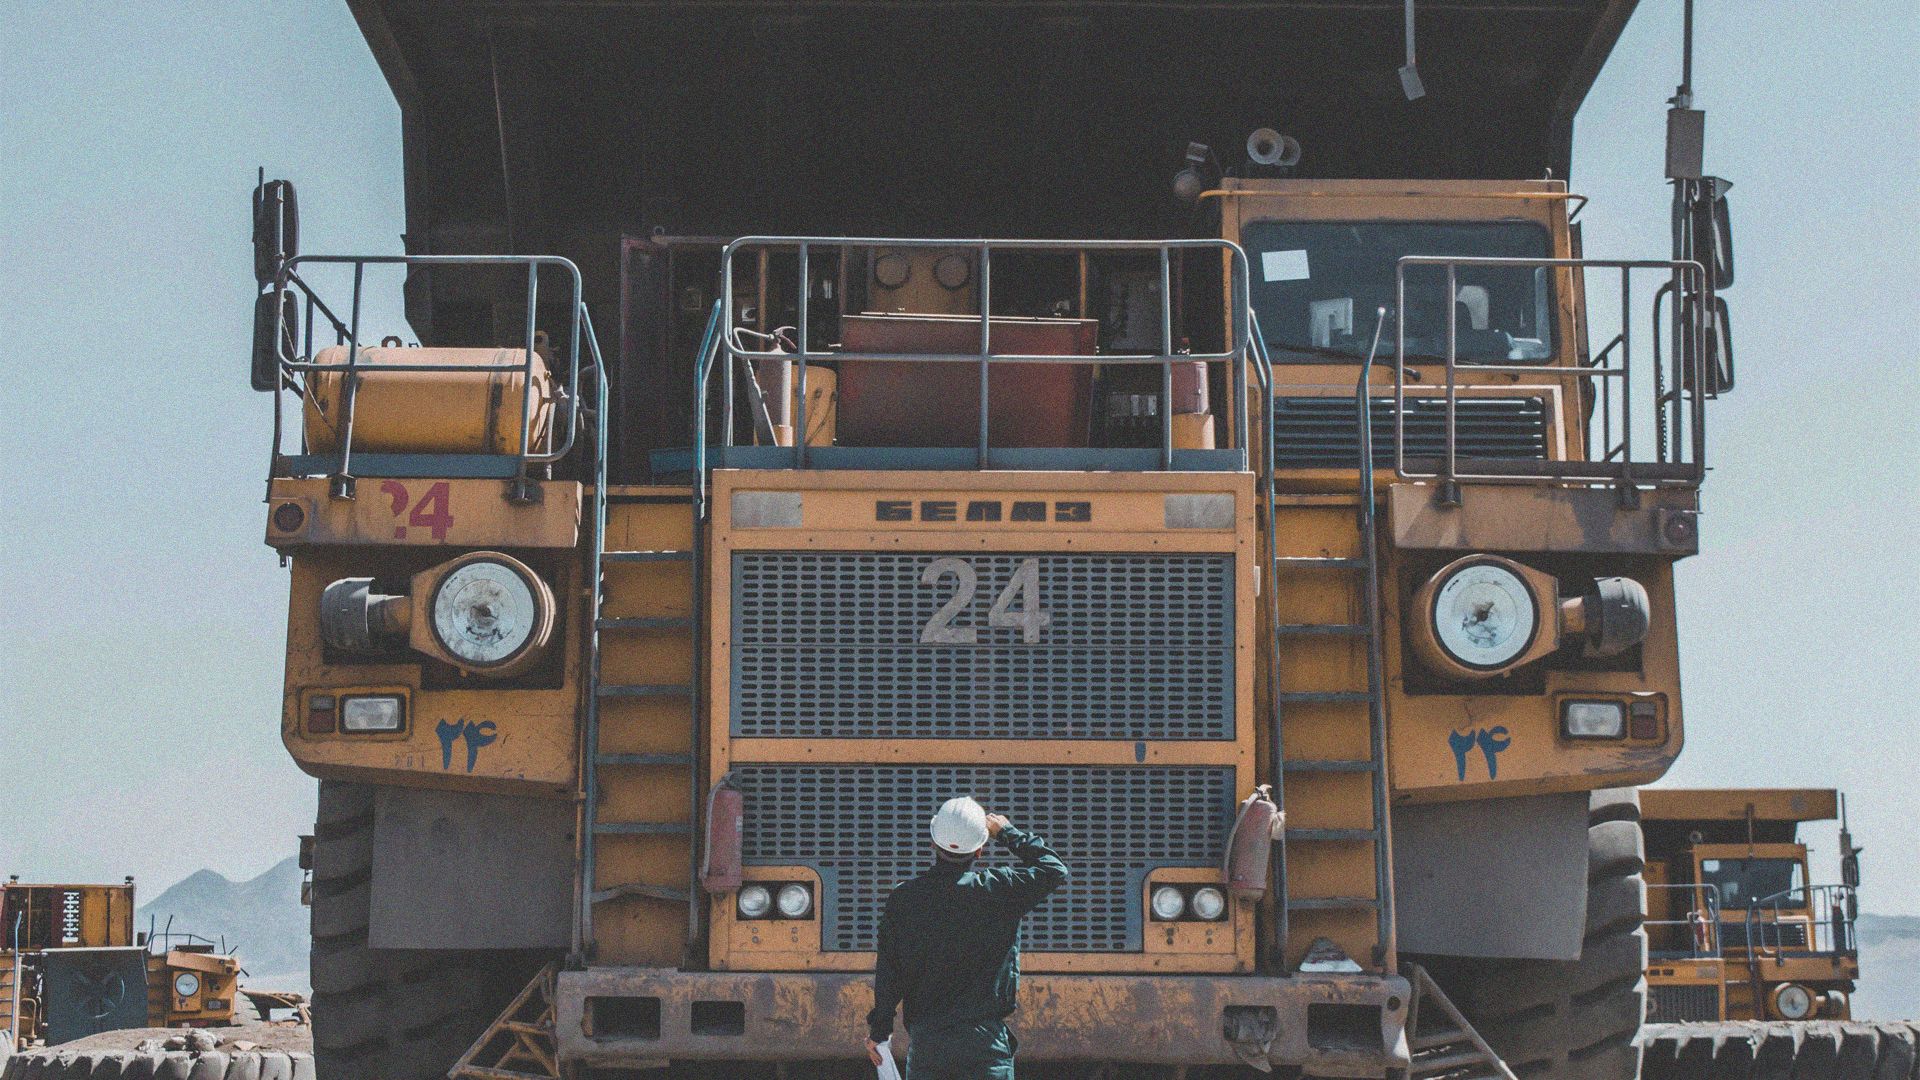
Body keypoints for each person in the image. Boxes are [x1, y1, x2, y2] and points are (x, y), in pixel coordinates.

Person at [864, 797, 1069, 1080]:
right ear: (981, 850)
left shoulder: (905, 899)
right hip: (985, 1046)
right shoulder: (999, 890)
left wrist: (879, 1031)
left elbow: (890, 973)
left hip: (929, 1046)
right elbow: (1054, 869)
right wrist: (1008, 833)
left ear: (933, 844)